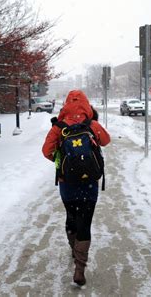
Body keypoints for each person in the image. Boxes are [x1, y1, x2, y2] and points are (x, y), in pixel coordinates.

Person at [42, 90, 110, 286]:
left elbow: (46, 151)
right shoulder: (92, 125)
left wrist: (61, 161)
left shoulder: (59, 127)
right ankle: (80, 268)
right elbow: (106, 141)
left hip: (67, 183)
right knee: (85, 221)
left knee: (72, 216)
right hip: (89, 184)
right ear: (86, 104)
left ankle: (74, 250)